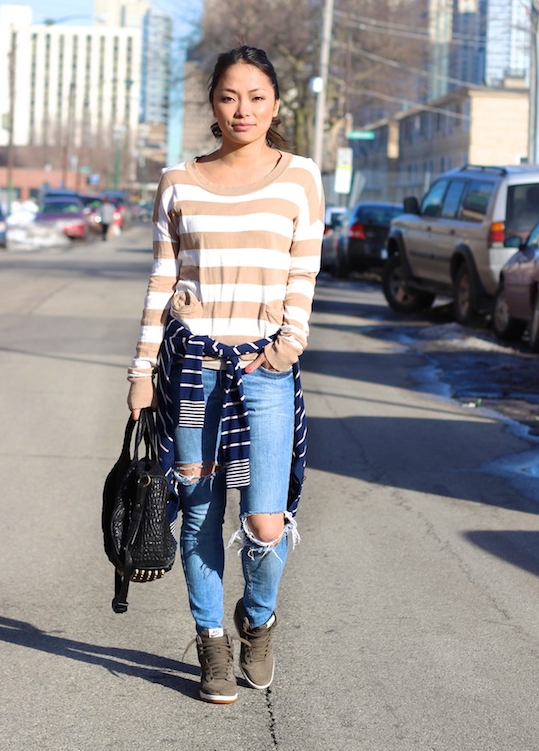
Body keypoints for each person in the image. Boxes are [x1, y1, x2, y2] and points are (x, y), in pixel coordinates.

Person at [126, 45, 324, 704]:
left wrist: (290, 342)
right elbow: (163, 278)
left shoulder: (299, 177)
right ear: (213, 103)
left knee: (266, 522)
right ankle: (211, 642)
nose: (243, 109)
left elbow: (303, 270)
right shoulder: (179, 179)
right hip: (192, 372)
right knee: (200, 506)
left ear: (275, 104)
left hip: (264, 370)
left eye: (257, 97)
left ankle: (257, 620)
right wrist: (142, 368)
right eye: (230, 96)